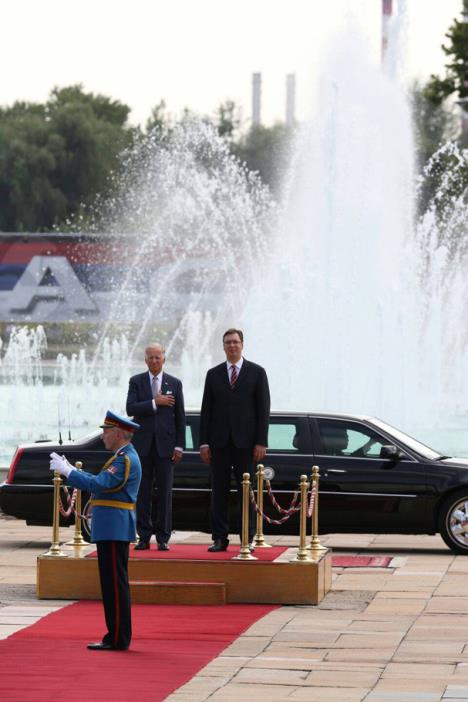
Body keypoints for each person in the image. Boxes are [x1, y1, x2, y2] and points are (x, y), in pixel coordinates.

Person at [49, 410, 142, 651]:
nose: (103, 437)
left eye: (106, 432)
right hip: (112, 527)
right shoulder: (122, 457)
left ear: (119, 434)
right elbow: (101, 481)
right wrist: (73, 470)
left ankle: (118, 637)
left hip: (114, 527)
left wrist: (69, 473)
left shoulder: (125, 460)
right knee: (111, 584)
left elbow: (100, 484)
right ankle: (114, 635)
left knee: (115, 584)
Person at [199, 328, 270, 552]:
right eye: (228, 342)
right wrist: (204, 443)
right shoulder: (213, 374)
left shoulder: (257, 373)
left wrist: (261, 442)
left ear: (242, 345)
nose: (232, 346)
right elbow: (206, 411)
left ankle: (247, 537)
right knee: (218, 493)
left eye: (235, 342)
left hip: (247, 445)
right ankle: (219, 538)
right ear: (223, 347)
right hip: (219, 444)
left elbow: (263, 409)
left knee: (247, 493)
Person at [126, 343, 185, 551]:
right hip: (142, 447)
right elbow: (130, 408)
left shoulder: (175, 383)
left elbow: (180, 417)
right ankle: (143, 536)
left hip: (166, 448)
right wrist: (154, 402)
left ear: (164, 359)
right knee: (142, 492)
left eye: (157, 357)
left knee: (164, 493)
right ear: (145, 360)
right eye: (150, 357)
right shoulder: (136, 382)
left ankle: (163, 537)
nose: (154, 361)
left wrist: (179, 446)